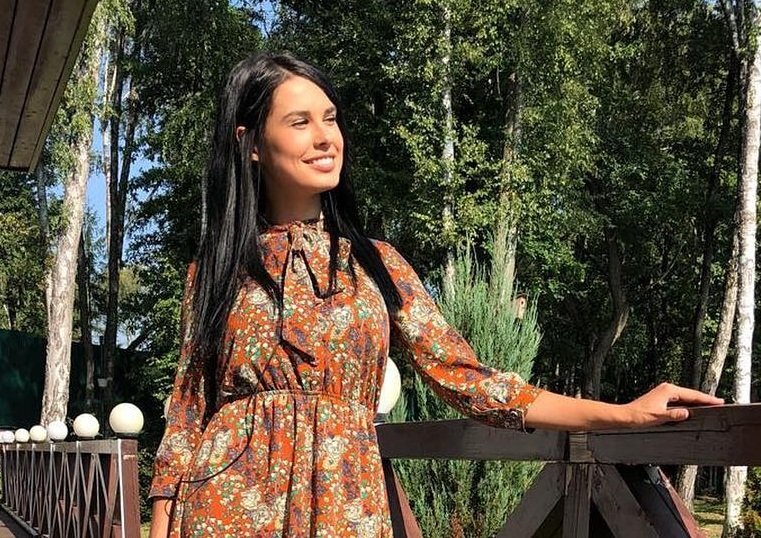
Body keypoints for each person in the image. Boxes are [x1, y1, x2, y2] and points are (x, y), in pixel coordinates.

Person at [148, 52, 723, 537]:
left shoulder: (377, 265)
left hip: (347, 503)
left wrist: (621, 415)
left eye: (331, 118)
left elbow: (470, 381)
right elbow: (189, 409)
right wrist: (161, 516)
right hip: (227, 506)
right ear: (250, 142)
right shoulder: (216, 271)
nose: (325, 137)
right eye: (299, 122)